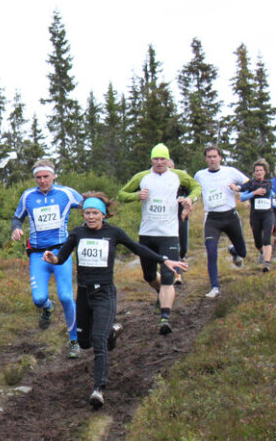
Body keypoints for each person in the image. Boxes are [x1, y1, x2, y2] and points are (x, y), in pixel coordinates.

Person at [43, 192, 188, 409]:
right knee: (84, 342)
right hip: (84, 294)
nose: (91, 217)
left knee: (99, 341)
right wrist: (52, 258)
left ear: (104, 215)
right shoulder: (78, 233)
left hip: (105, 293)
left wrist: (164, 260)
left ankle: (98, 389)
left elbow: (139, 249)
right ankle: (112, 331)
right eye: (87, 213)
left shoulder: (114, 233)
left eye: (95, 213)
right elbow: (61, 257)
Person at [116, 143, 200, 335]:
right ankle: (160, 293)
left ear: (168, 160)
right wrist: (136, 195)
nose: (160, 162)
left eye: (163, 159)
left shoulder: (178, 175)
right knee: (149, 276)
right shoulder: (142, 177)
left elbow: (196, 187)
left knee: (168, 277)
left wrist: (190, 199)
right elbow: (121, 194)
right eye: (156, 159)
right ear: (151, 160)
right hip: (147, 234)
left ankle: (165, 318)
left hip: (169, 234)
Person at [11, 159, 83, 357]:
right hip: (37, 254)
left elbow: (88, 203)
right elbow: (17, 217)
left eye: (46, 177)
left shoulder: (66, 194)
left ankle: (73, 341)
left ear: (53, 176)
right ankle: (48, 308)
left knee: (67, 296)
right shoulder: (28, 196)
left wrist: (97, 221)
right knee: (39, 298)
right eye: (38, 177)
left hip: (61, 252)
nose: (42, 181)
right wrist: (16, 228)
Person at [193, 145, 249, 297]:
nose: (212, 159)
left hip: (230, 216)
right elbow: (193, 189)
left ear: (220, 158)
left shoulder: (230, 171)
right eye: (209, 157)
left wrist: (238, 188)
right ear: (205, 159)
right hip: (212, 218)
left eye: (215, 156)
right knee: (211, 252)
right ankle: (215, 287)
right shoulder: (200, 175)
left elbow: (248, 183)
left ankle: (233, 250)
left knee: (242, 252)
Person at [237, 159, 274, 272]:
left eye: (261, 170)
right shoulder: (251, 183)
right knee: (258, 241)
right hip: (255, 216)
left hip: (268, 214)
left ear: (265, 171)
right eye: (256, 171)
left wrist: (274, 196)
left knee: (267, 239)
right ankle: (262, 252)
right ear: (254, 172)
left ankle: (267, 264)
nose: (258, 172)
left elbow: (272, 194)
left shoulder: (269, 183)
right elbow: (242, 198)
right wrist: (254, 193)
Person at [167, 158, 189, 285]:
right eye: (167, 167)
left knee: (183, 247)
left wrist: (186, 199)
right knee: (173, 246)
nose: (169, 169)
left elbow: (192, 193)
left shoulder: (182, 181)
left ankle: (182, 258)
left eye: (171, 167)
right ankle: (176, 274)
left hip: (181, 215)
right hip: (167, 218)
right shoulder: (159, 183)